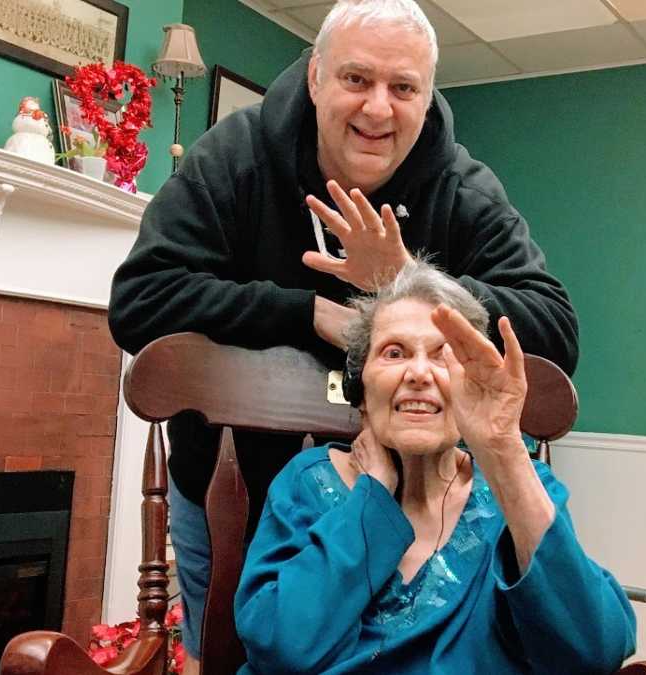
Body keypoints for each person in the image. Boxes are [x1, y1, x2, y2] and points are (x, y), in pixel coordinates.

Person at [108, 0, 579, 669]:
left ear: (426, 96)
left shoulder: (462, 187)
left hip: (419, 515)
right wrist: (305, 312)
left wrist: (407, 278)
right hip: (234, 500)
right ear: (315, 78)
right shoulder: (233, 159)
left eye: (403, 87)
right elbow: (139, 299)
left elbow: (555, 331)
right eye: (357, 80)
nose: (378, 109)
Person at [235, 261, 635, 673]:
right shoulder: (309, 484)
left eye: (445, 356)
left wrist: (504, 453)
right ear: (360, 386)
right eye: (395, 352)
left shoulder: (519, 491)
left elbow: (593, 652)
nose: (420, 373)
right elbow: (278, 647)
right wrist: (372, 498)